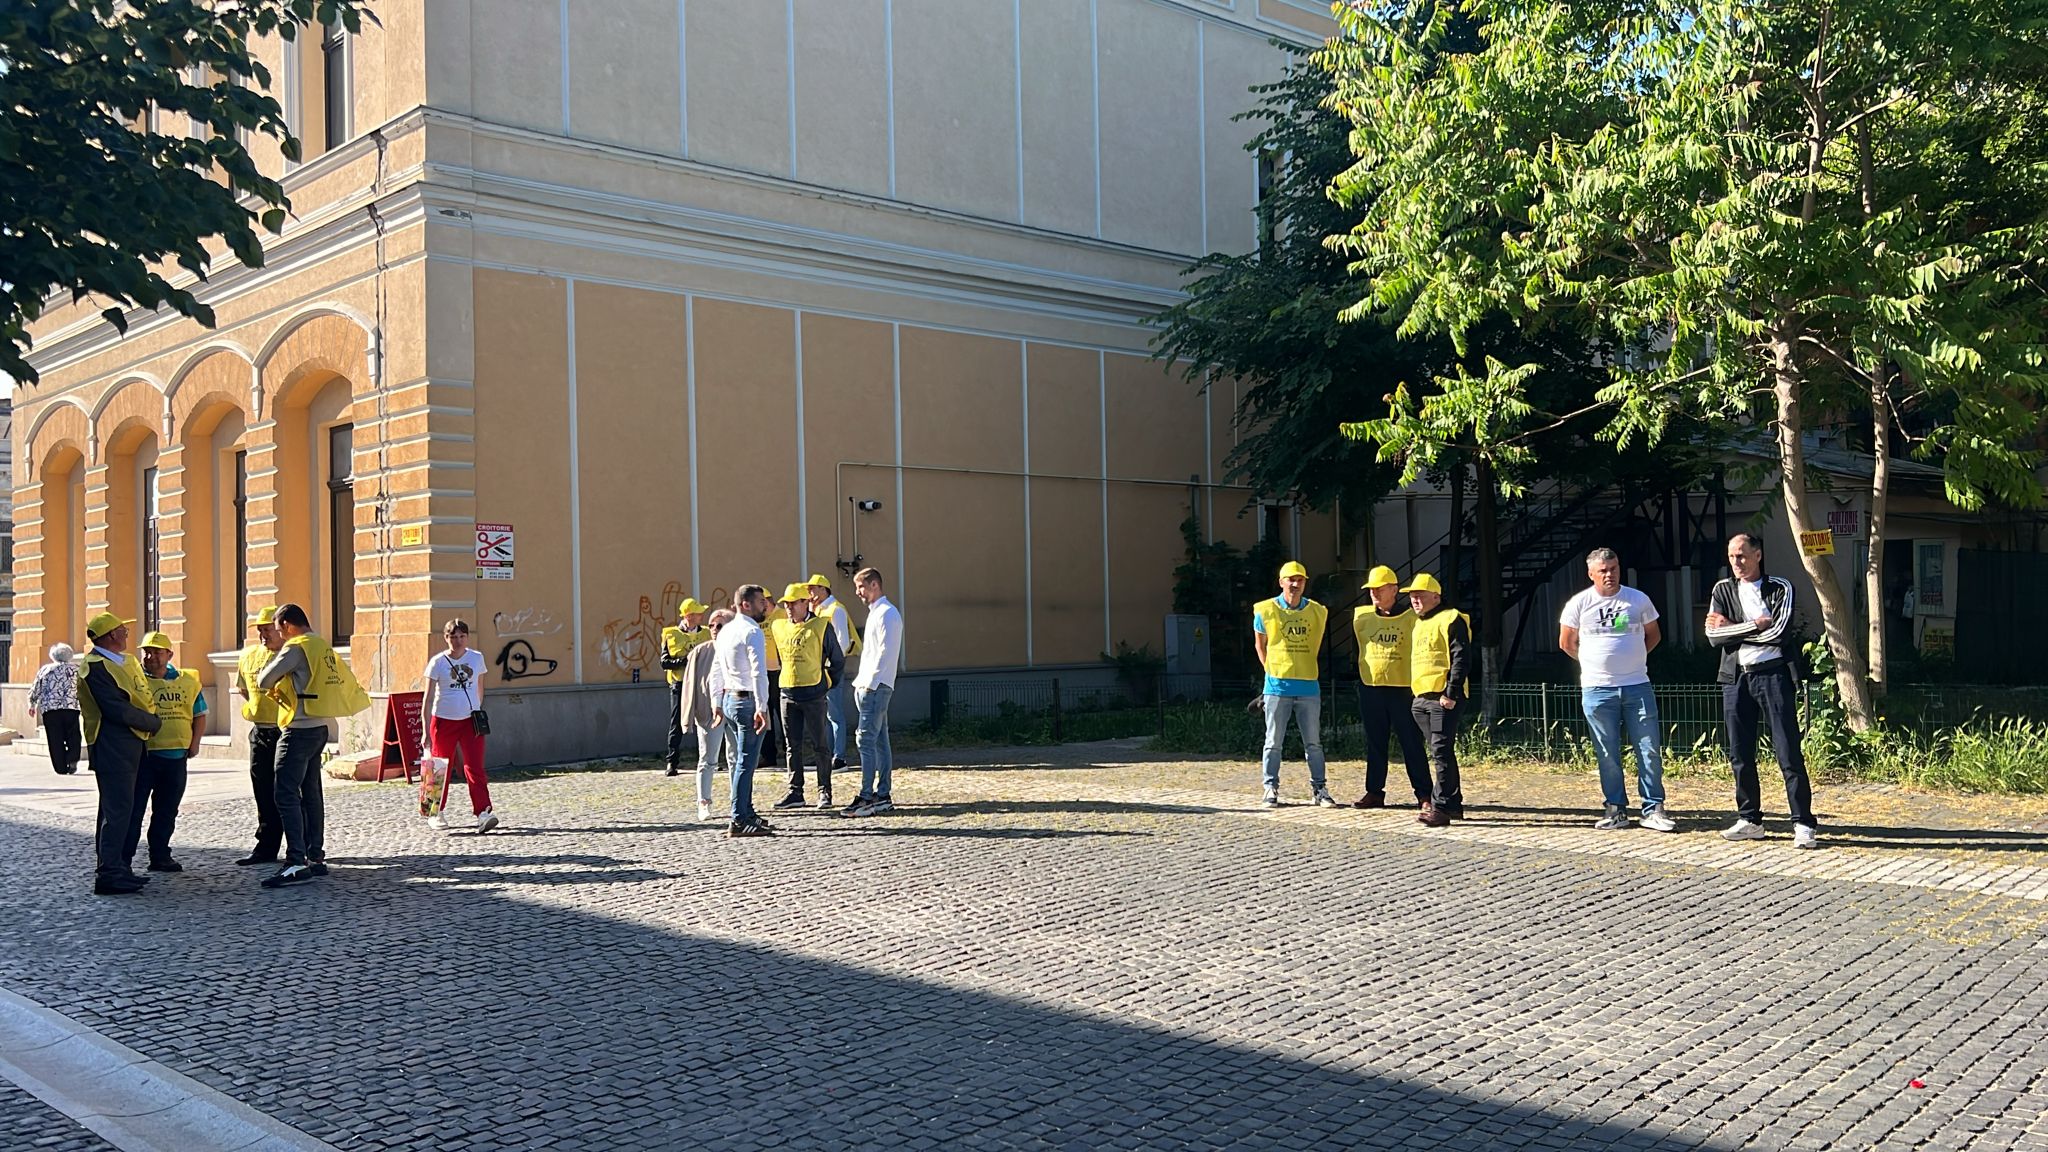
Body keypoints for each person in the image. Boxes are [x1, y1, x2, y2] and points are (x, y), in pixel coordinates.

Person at [1705, 533, 1817, 848]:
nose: (1736, 562)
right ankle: (1750, 819)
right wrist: (1755, 624)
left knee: (1788, 751)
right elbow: (1712, 636)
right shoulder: (1722, 589)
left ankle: (1803, 823)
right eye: (1731, 557)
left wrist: (1731, 629)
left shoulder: (1780, 587)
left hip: (1773, 675)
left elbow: (1779, 633)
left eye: (1742, 555)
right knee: (1740, 753)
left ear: (1757, 555)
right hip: (1735, 678)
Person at [1559, 549, 1674, 832]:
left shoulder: (1638, 599)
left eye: (1613, 568)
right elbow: (1567, 643)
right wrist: (1593, 663)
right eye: (1603, 570)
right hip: (1597, 690)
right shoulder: (1578, 604)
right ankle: (1615, 808)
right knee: (1607, 752)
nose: (1609, 574)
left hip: (1637, 686)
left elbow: (1653, 635)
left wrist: (1633, 659)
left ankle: (1653, 809)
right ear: (1591, 574)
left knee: (1648, 749)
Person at [256, 603, 370, 887]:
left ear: (286, 625)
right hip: (319, 726)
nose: (280, 635)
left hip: (298, 728)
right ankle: (315, 856)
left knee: (285, 792)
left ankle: (296, 861)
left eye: (279, 630)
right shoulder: (322, 645)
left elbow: (263, 679)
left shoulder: (297, 648)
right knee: (311, 793)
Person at [77, 612, 161, 895]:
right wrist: (152, 722)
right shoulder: (95, 667)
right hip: (112, 744)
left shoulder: (120, 661)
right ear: (111, 635)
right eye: (123, 629)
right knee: (117, 811)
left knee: (123, 809)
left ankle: (119, 867)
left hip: (131, 743)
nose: (126, 633)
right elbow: (116, 708)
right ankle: (110, 873)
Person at [1253, 561, 1335, 808]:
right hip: (1277, 687)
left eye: (1300, 580)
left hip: (1308, 686)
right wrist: (1271, 670)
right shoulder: (1266, 610)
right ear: (1281, 582)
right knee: (1273, 742)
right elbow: (1260, 645)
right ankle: (1270, 787)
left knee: (1313, 743)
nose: (1295, 584)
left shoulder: (1317, 611)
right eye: (1291, 579)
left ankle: (1319, 789)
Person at [1350, 565, 1430, 809]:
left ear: (1394, 590)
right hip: (1372, 687)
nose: (1374, 593)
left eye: (1380, 588)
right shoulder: (1362, 617)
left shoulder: (1412, 618)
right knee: (1375, 742)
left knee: (1411, 742)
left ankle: (1424, 794)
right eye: (1371, 589)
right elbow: (1357, 651)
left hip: (1403, 689)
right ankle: (1374, 792)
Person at [128, 632, 206, 873]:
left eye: (156, 652)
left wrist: (195, 743)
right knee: (134, 811)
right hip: (145, 756)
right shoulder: (136, 680)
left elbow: (199, 714)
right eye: (146, 652)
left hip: (176, 757)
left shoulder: (187, 681)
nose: (150, 657)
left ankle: (160, 855)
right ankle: (123, 861)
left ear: (169, 655)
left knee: (167, 811)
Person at [770, 583, 846, 811]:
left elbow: (837, 659)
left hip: (814, 693)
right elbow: (781, 658)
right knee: (791, 745)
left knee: (820, 744)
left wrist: (827, 684)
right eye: (786, 604)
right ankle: (795, 792)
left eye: (793, 603)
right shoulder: (779, 626)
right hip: (788, 692)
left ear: (806, 603)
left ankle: (824, 791)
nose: (789, 607)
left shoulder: (821, 625)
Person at [420, 618, 498, 833]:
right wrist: (426, 730)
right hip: (443, 720)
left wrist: (476, 709)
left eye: (462, 636)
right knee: (438, 766)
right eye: (453, 637)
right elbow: (428, 698)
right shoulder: (438, 662)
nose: (458, 641)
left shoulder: (476, 658)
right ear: (446, 638)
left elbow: (480, 687)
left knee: (475, 767)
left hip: (470, 721)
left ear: (467, 637)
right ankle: (434, 811)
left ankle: (483, 812)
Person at [1405, 574, 1470, 827]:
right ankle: (1452, 804)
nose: (1415, 600)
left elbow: (1461, 657)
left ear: (1435, 596)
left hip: (1443, 698)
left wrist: (1451, 693)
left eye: (1420, 595)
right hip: (1422, 697)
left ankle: (1440, 807)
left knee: (1441, 750)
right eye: (1412, 596)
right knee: (1441, 752)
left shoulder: (1451, 618)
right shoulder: (1419, 623)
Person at [713, 585, 775, 837]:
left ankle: (747, 812)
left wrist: (717, 703)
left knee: (742, 760)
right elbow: (759, 672)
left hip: (730, 698)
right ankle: (738, 819)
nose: (765, 606)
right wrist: (762, 707)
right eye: (761, 601)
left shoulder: (726, 631)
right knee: (745, 762)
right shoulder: (752, 631)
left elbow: (716, 669)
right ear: (746, 604)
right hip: (746, 700)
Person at [842, 567, 902, 817]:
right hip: (869, 685)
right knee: (878, 741)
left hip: (875, 687)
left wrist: (871, 684)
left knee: (865, 741)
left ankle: (867, 796)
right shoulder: (877, 613)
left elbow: (885, 653)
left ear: (874, 585)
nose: (858, 592)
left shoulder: (887, 613)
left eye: (861, 587)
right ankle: (882, 795)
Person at [230, 607, 286, 865]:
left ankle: (303, 847)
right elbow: (244, 689)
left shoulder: (292, 654)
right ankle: (266, 847)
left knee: (290, 791)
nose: (263, 635)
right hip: (260, 730)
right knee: (262, 790)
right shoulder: (249, 655)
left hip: (287, 731)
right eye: (260, 630)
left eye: (268, 629)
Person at [681, 609, 735, 823]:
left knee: (736, 757)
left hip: (735, 709)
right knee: (707, 758)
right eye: (711, 625)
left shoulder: (738, 648)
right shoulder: (700, 652)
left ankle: (738, 800)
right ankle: (703, 801)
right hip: (708, 712)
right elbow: (690, 685)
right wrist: (688, 716)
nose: (714, 629)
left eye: (719, 625)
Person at [806, 573, 860, 771]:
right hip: (818, 667)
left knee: (835, 713)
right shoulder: (818, 610)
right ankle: (824, 755)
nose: (810, 593)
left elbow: (842, 642)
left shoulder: (836, 610)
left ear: (823, 589)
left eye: (813, 589)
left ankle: (839, 757)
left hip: (830, 667)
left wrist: (830, 664)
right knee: (824, 714)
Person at [659, 597, 711, 777]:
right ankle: (672, 762)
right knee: (677, 723)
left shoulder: (706, 633)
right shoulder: (671, 634)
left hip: (702, 683)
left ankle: (708, 759)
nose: (701, 616)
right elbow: (664, 662)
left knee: (706, 721)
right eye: (698, 613)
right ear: (688, 616)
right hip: (680, 684)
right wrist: (685, 661)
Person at [27, 643, 83, 775]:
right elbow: (84, 687)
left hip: (50, 709)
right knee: (73, 735)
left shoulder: (45, 670)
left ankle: (60, 767)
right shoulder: (76, 669)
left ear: (53, 656)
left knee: (55, 738)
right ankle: (73, 758)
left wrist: (32, 704)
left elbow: (36, 688)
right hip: (71, 707)